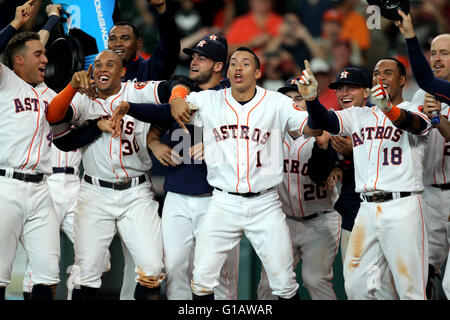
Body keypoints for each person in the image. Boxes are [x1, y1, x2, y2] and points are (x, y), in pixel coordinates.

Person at [171, 47, 322, 299]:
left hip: (265, 204)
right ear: (227, 71)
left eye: (245, 63)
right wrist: (177, 97)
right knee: (202, 281)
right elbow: (177, 89)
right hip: (222, 202)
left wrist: (314, 102)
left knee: (284, 283)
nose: (238, 67)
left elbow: (313, 130)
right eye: (234, 64)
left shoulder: (278, 102)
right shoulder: (208, 100)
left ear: (258, 72)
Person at [45, 49, 189, 300]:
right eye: (97, 64)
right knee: (87, 272)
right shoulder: (83, 99)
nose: (102, 68)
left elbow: (179, 82)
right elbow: (54, 117)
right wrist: (77, 95)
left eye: (110, 65)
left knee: (152, 269)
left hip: (136, 193)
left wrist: (176, 98)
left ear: (122, 72)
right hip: (95, 193)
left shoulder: (136, 91)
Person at [299, 57, 431, 299]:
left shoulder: (414, 108)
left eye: (388, 72)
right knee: (356, 287)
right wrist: (311, 99)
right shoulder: (359, 115)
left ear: (402, 80)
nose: (380, 77)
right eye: (376, 73)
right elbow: (325, 120)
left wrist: (388, 109)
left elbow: (415, 125)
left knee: (410, 289)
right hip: (366, 209)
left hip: (403, 206)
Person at [146, 34, 240, 300]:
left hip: (217, 197)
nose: (194, 62)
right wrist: (154, 143)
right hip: (177, 192)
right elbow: (156, 125)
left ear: (219, 65)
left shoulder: (230, 97)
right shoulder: (181, 94)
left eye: (203, 58)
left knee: (220, 277)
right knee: (174, 269)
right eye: (194, 57)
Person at [256, 77, 341, 300]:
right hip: (283, 222)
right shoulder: (268, 137)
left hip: (320, 219)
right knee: (268, 285)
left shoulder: (325, 133)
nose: (293, 103)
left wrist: (330, 158)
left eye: (299, 98)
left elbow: (324, 171)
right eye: (288, 98)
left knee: (315, 280)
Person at [0, 31, 61, 300]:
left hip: (41, 189)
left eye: (45, 53)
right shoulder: (5, 80)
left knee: (47, 276)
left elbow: (69, 137)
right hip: (5, 186)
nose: (45, 59)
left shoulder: (49, 94)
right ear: (18, 60)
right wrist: (14, 24)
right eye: (38, 54)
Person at [310, 67, 370, 264]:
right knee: (354, 287)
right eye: (340, 88)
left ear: (366, 92)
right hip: (351, 215)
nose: (344, 93)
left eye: (351, 87)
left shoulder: (379, 118)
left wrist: (352, 154)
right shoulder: (333, 123)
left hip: (382, 212)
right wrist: (322, 147)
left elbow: (386, 168)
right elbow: (318, 176)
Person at [409, 31, 450, 299]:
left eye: (444, 53)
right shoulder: (417, 98)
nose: (436, 58)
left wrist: (436, 118)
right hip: (429, 193)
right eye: (433, 52)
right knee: (421, 273)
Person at [108, 0, 180, 82]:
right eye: (112, 39)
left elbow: (169, 44)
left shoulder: (149, 69)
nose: (118, 44)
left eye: (125, 39)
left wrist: (162, 10)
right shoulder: (101, 73)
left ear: (138, 43)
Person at [395, 9, 450, 105]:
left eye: (444, 53)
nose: (436, 58)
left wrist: (410, 36)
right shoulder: (420, 95)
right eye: (433, 54)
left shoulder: (428, 84)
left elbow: (426, 80)